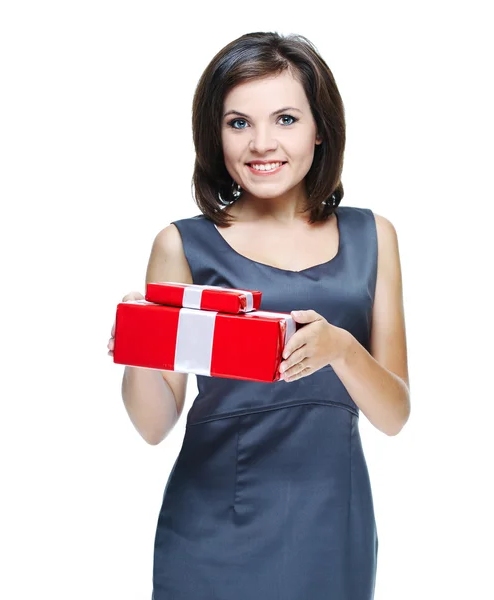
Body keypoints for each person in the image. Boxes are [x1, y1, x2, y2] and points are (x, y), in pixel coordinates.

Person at [107, 31, 410, 600]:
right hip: (210, 531)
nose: (261, 143)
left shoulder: (374, 238)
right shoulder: (181, 245)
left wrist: (341, 349)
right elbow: (153, 427)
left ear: (321, 129)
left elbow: (394, 414)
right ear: (214, 134)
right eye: (238, 122)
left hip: (331, 526)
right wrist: (141, 345)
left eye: (286, 119)